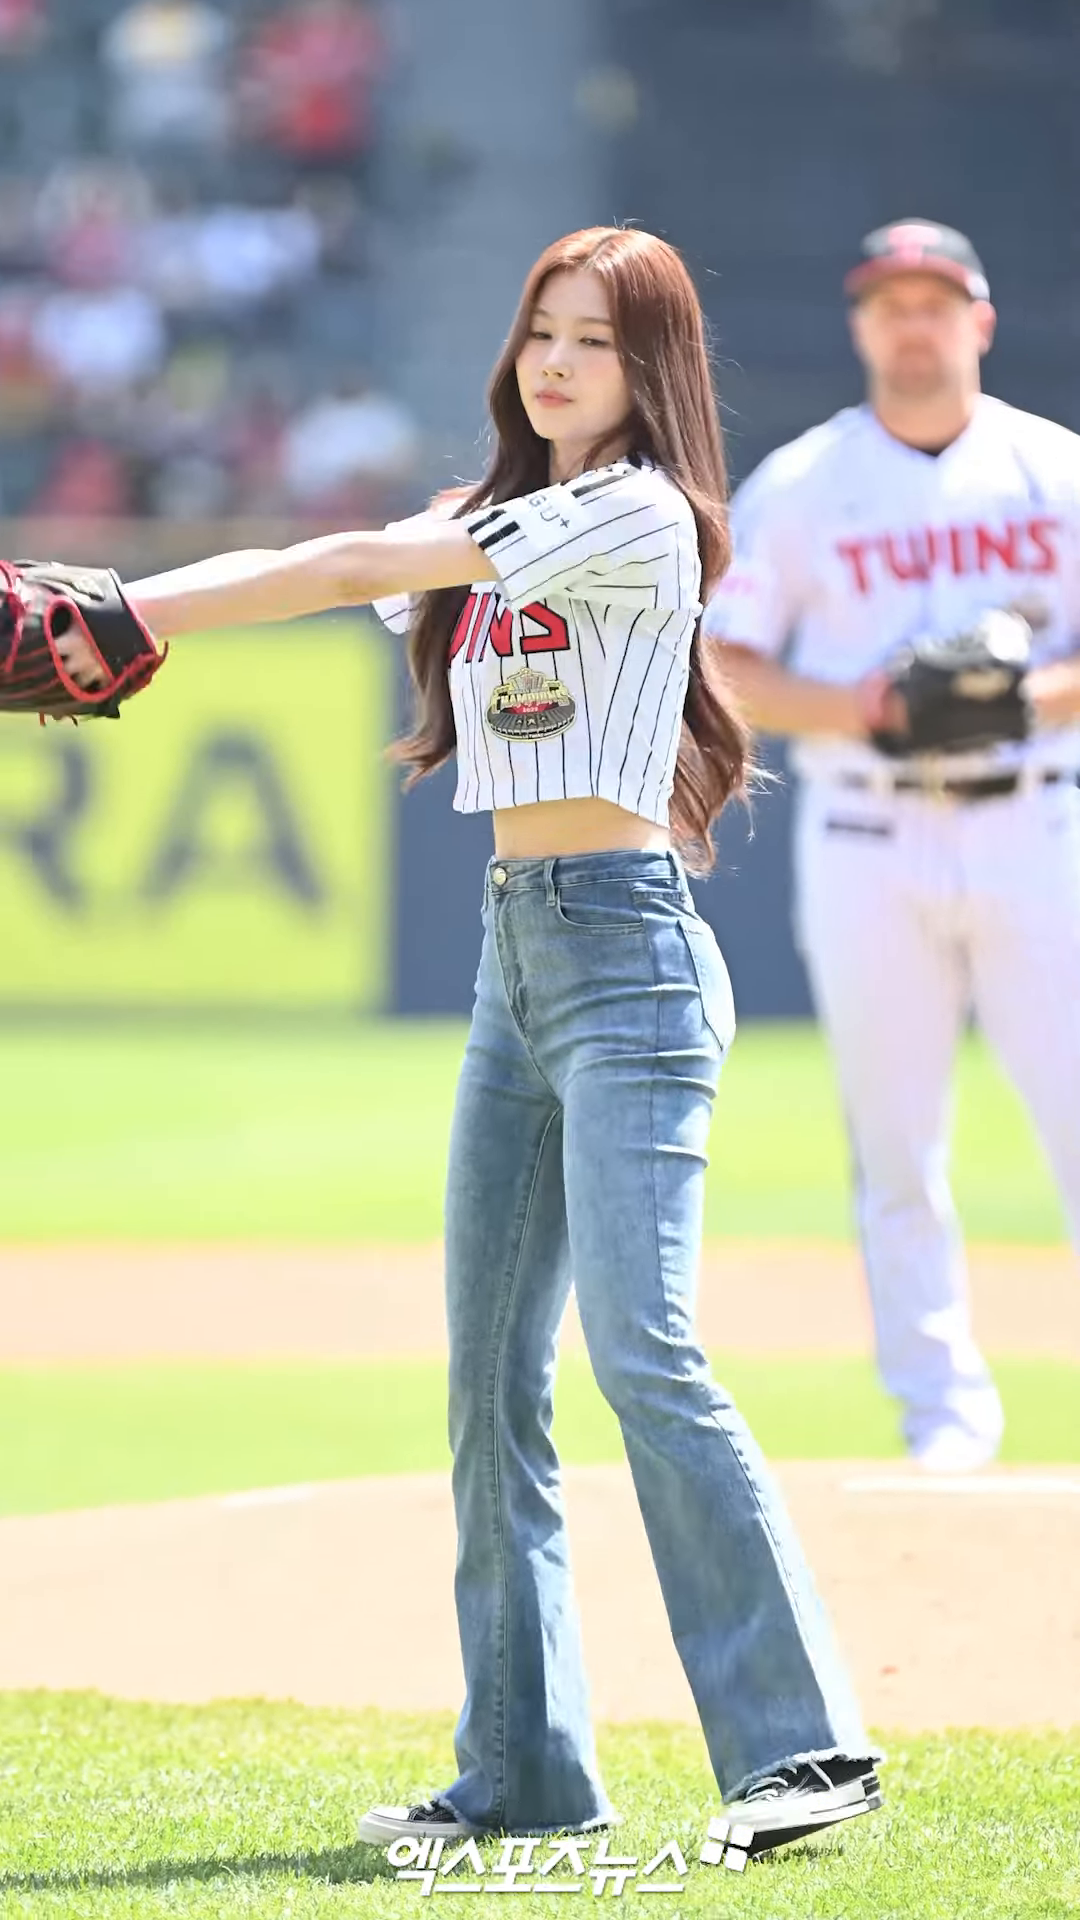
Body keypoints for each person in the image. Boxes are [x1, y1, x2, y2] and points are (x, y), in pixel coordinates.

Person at [121, 226, 883, 1856]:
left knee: (643, 1352)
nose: (555, 361)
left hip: (627, 962)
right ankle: (527, 1773)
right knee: (486, 1387)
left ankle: (805, 1748)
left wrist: (119, 608)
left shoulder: (637, 510)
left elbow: (343, 566)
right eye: (543, 328)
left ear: (649, 366)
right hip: (516, 961)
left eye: (594, 339)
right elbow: (343, 562)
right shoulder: (499, 513)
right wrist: (134, 615)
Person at [703, 219, 1080, 1475]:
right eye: (889, 305)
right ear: (861, 326)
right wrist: (869, 705)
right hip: (867, 829)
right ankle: (942, 1415)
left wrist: (1022, 698)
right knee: (895, 1142)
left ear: (980, 321)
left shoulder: (1054, 469)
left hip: (1035, 819)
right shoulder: (806, 484)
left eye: (936, 303)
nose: (913, 326)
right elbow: (728, 662)